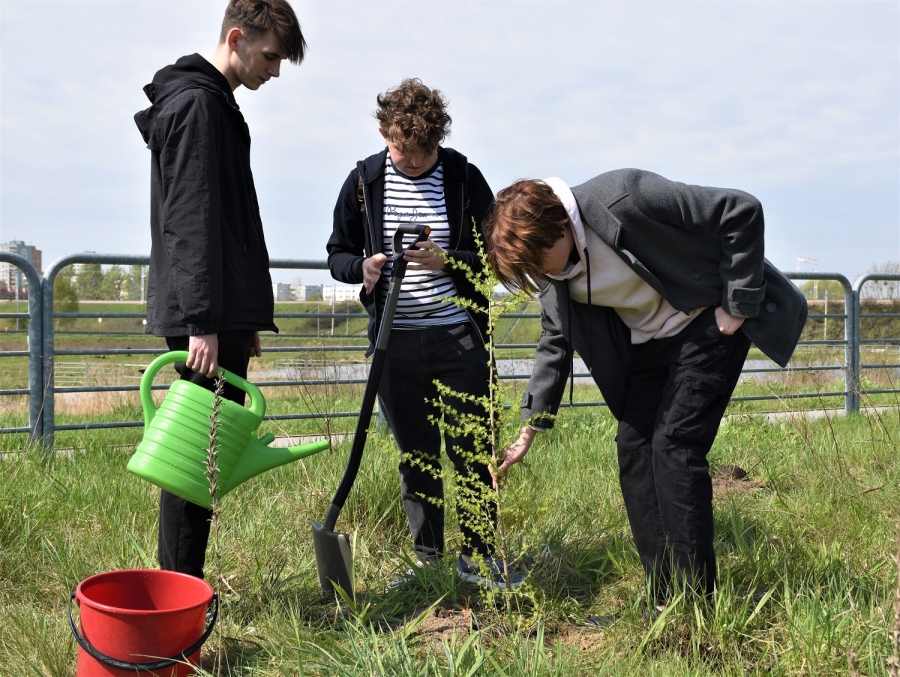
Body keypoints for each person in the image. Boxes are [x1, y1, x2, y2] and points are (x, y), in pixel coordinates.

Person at [483, 170, 807, 606]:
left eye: (538, 259)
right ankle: (663, 595)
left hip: (705, 324)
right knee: (634, 451)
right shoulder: (552, 274)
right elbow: (555, 341)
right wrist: (530, 429)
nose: (538, 272)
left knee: (675, 447)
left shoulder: (624, 197)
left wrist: (738, 301)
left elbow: (739, 208)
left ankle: (696, 601)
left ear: (558, 224)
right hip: (648, 346)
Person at [133, 0, 306, 579]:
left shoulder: (213, 104)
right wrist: (204, 321)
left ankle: (182, 587)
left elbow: (230, 222)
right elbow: (191, 219)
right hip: (205, 316)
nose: (274, 71)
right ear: (236, 38)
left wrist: (244, 317)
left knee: (202, 456)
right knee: (194, 459)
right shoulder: (198, 106)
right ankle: (180, 594)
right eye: (270, 56)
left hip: (221, 312)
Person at [327, 79, 522, 589]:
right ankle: (428, 562)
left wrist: (447, 261)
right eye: (403, 150)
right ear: (383, 135)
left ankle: (480, 560)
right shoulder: (364, 182)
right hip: (394, 342)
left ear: (440, 139)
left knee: (472, 453)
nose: (414, 161)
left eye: (425, 151)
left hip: (459, 337)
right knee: (416, 456)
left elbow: (497, 255)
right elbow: (337, 254)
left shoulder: (463, 177)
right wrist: (362, 268)